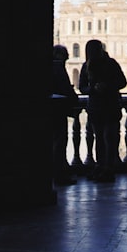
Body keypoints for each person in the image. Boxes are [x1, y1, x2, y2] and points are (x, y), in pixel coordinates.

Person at [78, 39, 127, 183]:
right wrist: (96, 88)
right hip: (102, 106)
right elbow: (82, 86)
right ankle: (103, 166)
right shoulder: (106, 64)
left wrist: (103, 87)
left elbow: (122, 82)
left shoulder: (107, 64)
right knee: (102, 138)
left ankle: (107, 167)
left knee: (106, 137)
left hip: (102, 106)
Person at [51, 44, 79, 186]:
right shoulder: (58, 68)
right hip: (58, 110)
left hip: (52, 110)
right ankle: (59, 174)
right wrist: (73, 97)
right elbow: (65, 88)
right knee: (59, 143)